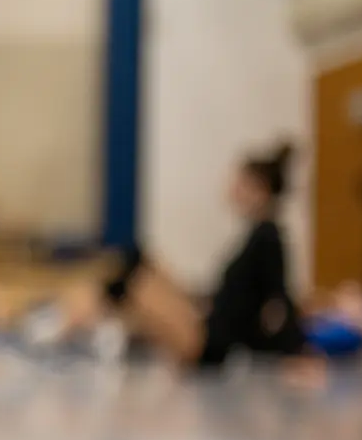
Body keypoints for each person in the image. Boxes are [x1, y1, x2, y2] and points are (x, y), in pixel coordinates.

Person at [98, 141, 321, 377]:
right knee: (137, 262)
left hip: (210, 344)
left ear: (260, 191)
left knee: (129, 279)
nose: (232, 189)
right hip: (208, 327)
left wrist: (296, 349)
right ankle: (91, 327)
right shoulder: (257, 235)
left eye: (240, 183)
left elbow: (279, 297)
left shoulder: (268, 237)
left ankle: (81, 328)